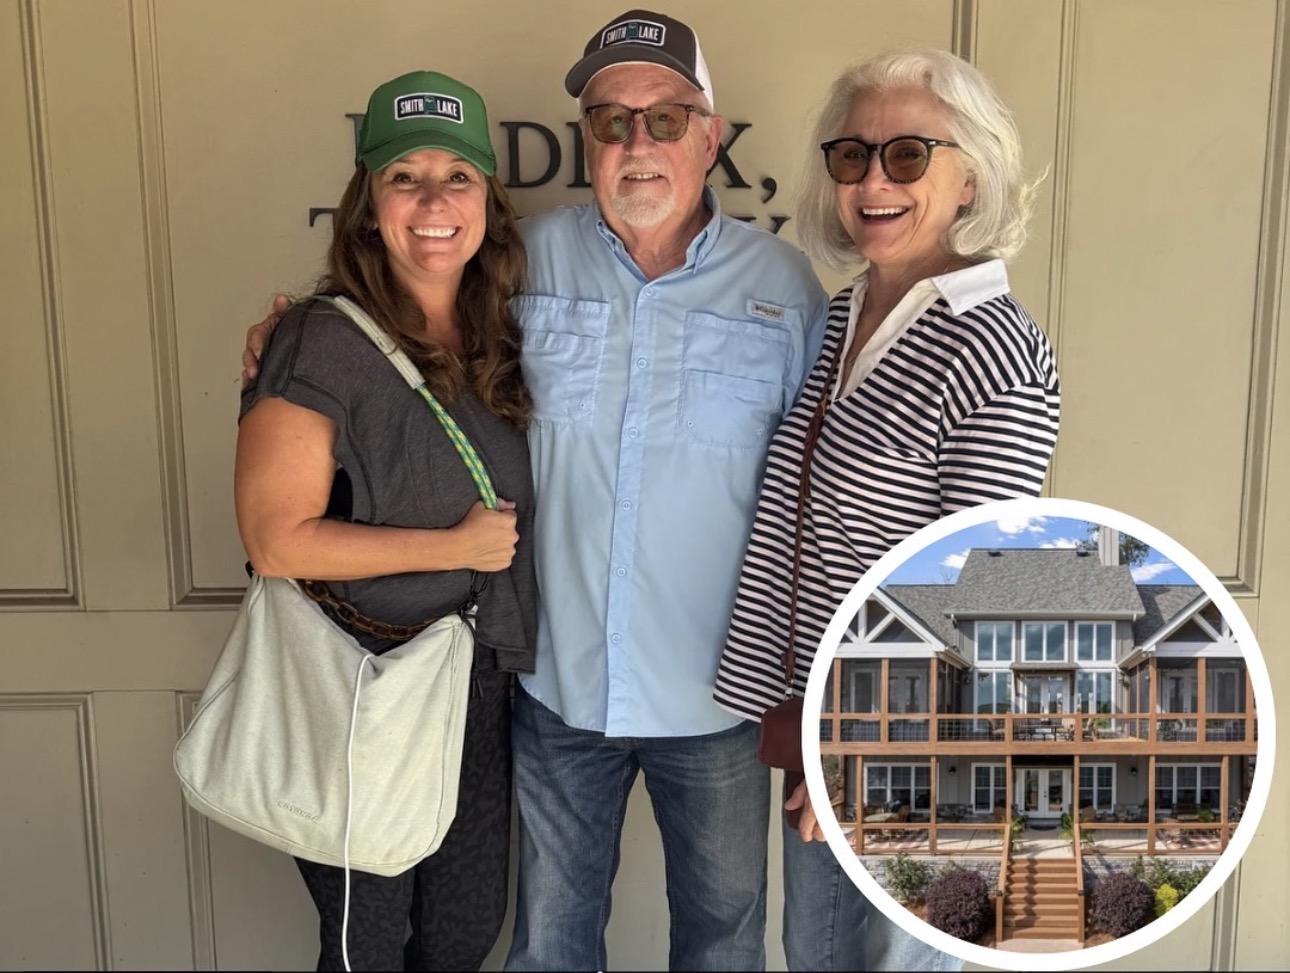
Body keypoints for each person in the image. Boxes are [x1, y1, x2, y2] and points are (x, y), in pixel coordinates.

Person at [243, 12, 828, 970]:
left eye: (666, 120)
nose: (636, 143)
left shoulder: (789, 289)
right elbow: (400, 329)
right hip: (559, 690)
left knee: (723, 944)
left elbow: (815, 492)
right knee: (549, 943)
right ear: (586, 139)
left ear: (710, 135)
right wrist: (287, 340)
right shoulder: (520, 266)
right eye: (609, 121)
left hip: (719, 698)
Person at [713, 48, 1061, 971]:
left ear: (968, 177)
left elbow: (984, 590)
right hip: (821, 726)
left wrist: (867, 753)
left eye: (908, 155)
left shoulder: (994, 345)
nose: (872, 179)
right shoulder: (845, 312)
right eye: (852, 155)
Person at [235, 69, 536, 972]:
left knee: (460, 935)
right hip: (361, 693)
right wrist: (452, 547)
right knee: (369, 944)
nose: (434, 201)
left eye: (459, 176)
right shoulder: (319, 339)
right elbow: (274, 537)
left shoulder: (500, 336)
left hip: (475, 686)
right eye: (406, 176)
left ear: (488, 199)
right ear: (368, 204)